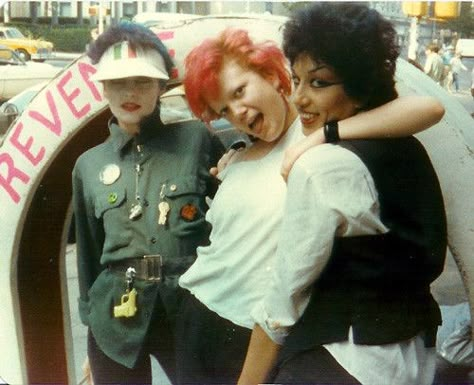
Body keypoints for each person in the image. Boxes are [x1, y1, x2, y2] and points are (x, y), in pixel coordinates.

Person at [176, 23, 445, 385]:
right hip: (197, 313)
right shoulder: (238, 156)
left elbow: (429, 108)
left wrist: (320, 136)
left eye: (240, 91)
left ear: (271, 74)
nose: (236, 111)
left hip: (254, 333)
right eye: (223, 108)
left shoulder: (319, 134)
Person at [72, 22, 224, 385]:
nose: (130, 91)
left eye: (142, 80)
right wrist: (92, 328)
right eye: (118, 82)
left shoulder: (196, 139)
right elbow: (89, 255)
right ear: (103, 87)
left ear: (162, 85)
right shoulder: (88, 165)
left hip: (188, 305)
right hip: (114, 317)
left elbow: (231, 217)